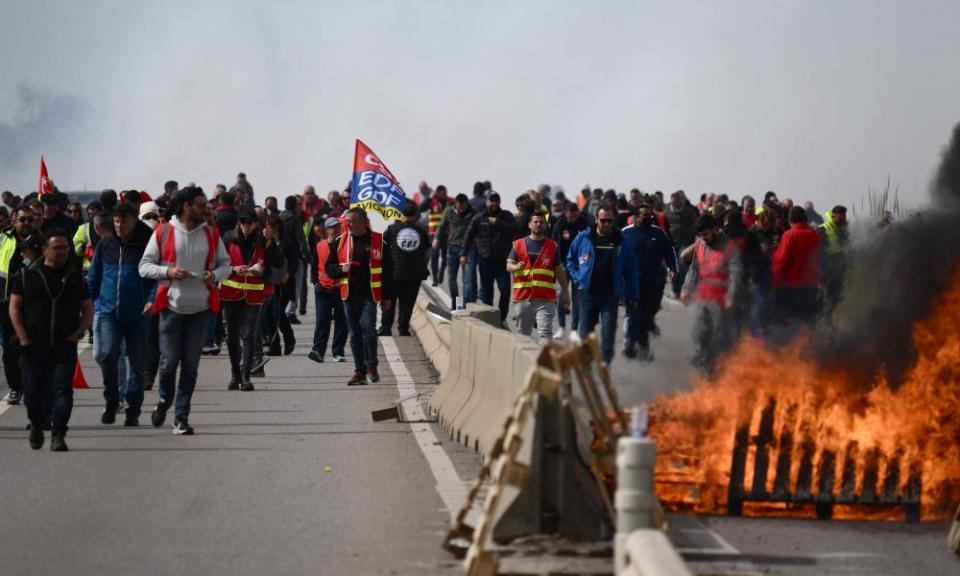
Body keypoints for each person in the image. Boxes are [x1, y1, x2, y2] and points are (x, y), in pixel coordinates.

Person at [139, 186, 231, 435]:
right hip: (170, 308)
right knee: (168, 364)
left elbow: (226, 265)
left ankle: (181, 418)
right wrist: (167, 272)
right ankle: (163, 401)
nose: (207, 209)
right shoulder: (164, 231)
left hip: (200, 309)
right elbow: (144, 267)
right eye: (201, 205)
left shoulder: (211, 234)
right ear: (186, 206)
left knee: (190, 366)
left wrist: (214, 275)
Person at [10, 231, 93, 451]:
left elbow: (87, 308)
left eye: (65, 247)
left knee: (62, 390)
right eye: (56, 247)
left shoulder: (75, 277)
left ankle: (59, 434)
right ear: (45, 250)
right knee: (33, 390)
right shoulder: (26, 276)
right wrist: (23, 336)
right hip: (33, 344)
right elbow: (15, 307)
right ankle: (37, 424)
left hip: (64, 344)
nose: (62, 251)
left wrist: (80, 331)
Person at [88, 204, 154, 426]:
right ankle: (112, 401)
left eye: (123, 221)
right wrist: (85, 304)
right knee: (107, 356)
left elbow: (155, 279)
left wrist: (151, 299)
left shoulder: (144, 246)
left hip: (137, 315)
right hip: (109, 314)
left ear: (134, 221)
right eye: (116, 221)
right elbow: (93, 279)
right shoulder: (105, 246)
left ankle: (133, 409)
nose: (119, 225)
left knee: (136, 364)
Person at [326, 208, 394, 386]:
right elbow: (329, 268)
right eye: (347, 221)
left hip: (369, 295)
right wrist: (341, 269)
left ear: (364, 222)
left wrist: (387, 296)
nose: (348, 224)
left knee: (368, 328)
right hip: (349, 295)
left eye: (352, 221)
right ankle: (359, 372)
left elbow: (388, 271)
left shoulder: (378, 241)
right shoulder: (340, 242)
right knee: (355, 334)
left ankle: (371, 364)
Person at [566, 206, 639, 364]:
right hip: (587, 294)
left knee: (608, 335)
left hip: (610, 296)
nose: (607, 224)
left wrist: (633, 296)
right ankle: (586, 367)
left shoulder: (622, 241)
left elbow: (631, 270)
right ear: (596, 219)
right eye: (603, 220)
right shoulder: (583, 237)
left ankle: (605, 365)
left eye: (610, 221)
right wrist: (578, 278)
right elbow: (570, 260)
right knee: (585, 334)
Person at [681, 214, 743, 371]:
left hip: (722, 300)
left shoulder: (730, 248)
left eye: (706, 234)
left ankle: (717, 366)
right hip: (703, 297)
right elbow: (693, 271)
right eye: (701, 235)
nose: (704, 238)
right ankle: (703, 358)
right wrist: (686, 289)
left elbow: (736, 275)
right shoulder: (701, 245)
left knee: (718, 335)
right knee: (699, 331)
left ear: (716, 229)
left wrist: (731, 296)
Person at [622, 199, 677, 361]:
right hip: (632, 282)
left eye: (650, 215)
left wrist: (673, 268)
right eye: (644, 215)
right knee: (635, 313)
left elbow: (669, 251)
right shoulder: (626, 233)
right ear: (636, 217)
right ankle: (636, 344)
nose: (648, 218)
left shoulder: (658, 233)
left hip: (654, 283)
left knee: (647, 314)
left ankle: (638, 342)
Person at [220, 207, 266, 391]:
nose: (246, 226)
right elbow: (219, 264)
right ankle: (235, 374)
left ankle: (246, 376)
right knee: (232, 337)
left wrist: (261, 270)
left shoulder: (263, 241)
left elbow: (275, 265)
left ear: (256, 224)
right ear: (239, 223)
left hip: (254, 295)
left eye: (249, 223)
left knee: (248, 336)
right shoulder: (228, 239)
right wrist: (233, 269)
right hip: (231, 293)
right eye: (243, 222)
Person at [0, 207, 42, 405]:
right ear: (14, 221)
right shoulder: (3, 239)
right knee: (9, 350)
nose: (25, 223)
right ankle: (15, 387)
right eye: (22, 219)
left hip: (33, 305)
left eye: (29, 219)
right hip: (6, 304)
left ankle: (30, 387)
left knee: (31, 348)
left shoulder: (42, 241)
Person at [507, 212, 570, 343]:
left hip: (546, 299)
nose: (538, 224)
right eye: (535, 222)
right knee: (523, 336)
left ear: (545, 226)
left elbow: (559, 270)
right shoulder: (518, 244)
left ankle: (544, 363)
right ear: (530, 225)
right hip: (523, 299)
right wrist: (516, 267)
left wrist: (565, 292)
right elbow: (508, 265)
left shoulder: (553, 246)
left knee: (546, 334)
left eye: (541, 222)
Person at [460, 193, 516, 324]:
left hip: (503, 261)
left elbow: (514, 229)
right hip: (485, 260)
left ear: (500, 202)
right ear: (487, 202)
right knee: (487, 292)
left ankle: (502, 318)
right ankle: (490, 319)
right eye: (491, 201)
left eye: (496, 201)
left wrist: (498, 223)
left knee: (505, 291)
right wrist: (463, 254)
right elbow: (468, 236)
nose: (494, 203)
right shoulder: (479, 218)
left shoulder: (506, 216)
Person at [381, 202, 430, 336]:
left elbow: (382, 247)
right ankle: (403, 328)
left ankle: (385, 328)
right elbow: (427, 251)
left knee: (389, 301)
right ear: (415, 215)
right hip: (414, 273)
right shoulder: (421, 231)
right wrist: (423, 264)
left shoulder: (391, 229)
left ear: (401, 214)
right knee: (407, 303)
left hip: (394, 272)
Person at [772, 206, 822, 330]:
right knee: (808, 322)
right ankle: (813, 347)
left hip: (792, 286)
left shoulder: (789, 235)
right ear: (805, 218)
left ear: (790, 220)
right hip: (811, 285)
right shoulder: (814, 235)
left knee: (792, 322)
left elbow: (780, 262)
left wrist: (774, 283)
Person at [308, 217, 347, 363]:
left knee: (342, 322)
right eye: (332, 227)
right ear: (327, 229)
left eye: (338, 226)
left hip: (340, 288)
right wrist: (315, 282)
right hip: (323, 289)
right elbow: (314, 264)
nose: (336, 229)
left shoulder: (345, 246)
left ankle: (338, 352)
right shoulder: (320, 245)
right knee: (322, 321)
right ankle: (318, 350)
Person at [254, 215, 288, 374]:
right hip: (253, 290)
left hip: (264, 291)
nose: (266, 229)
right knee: (254, 327)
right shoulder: (255, 242)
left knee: (254, 327)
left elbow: (279, 263)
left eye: (268, 226)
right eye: (264, 226)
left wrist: (271, 243)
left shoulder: (272, 244)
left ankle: (258, 360)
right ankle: (257, 362)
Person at [552, 201, 590, 338]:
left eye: (574, 217)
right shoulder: (560, 224)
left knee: (577, 297)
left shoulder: (585, 224)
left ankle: (574, 329)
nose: (572, 219)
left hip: (580, 265)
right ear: (565, 213)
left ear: (578, 213)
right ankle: (561, 327)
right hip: (563, 264)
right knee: (560, 295)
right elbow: (553, 244)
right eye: (569, 217)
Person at [434, 193, 475, 309]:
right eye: (459, 207)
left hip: (468, 250)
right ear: (455, 204)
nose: (461, 209)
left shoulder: (474, 213)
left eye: (463, 207)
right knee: (452, 279)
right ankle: (456, 305)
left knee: (467, 280)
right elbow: (441, 226)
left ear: (467, 204)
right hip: (452, 248)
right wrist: (436, 238)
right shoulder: (449, 211)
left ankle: (464, 306)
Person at [280, 195, 309, 326]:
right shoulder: (296, 220)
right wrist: (306, 256)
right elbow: (301, 240)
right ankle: (291, 312)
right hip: (295, 257)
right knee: (296, 284)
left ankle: (281, 310)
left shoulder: (279, 218)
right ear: (294, 206)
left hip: (280, 257)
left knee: (281, 285)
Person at [665, 190, 700, 298]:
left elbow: (696, 225)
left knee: (682, 266)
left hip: (685, 242)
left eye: (677, 201)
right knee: (673, 267)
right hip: (671, 243)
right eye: (673, 202)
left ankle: (681, 288)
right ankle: (675, 290)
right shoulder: (666, 211)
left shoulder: (689, 211)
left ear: (681, 200)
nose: (675, 203)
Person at [818, 205, 848, 312]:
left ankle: (829, 316)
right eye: (840, 217)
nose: (843, 220)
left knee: (836, 295)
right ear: (833, 216)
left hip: (839, 269)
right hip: (826, 268)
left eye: (844, 217)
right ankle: (822, 319)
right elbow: (818, 252)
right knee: (824, 296)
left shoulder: (843, 230)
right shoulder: (823, 229)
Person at [420, 185, 452, 287]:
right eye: (441, 193)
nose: (443, 195)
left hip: (446, 234)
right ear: (437, 193)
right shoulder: (432, 201)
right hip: (433, 234)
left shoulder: (451, 201)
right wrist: (429, 198)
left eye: (444, 193)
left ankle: (442, 271)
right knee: (434, 256)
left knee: (445, 257)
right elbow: (420, 208)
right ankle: (435, 278)